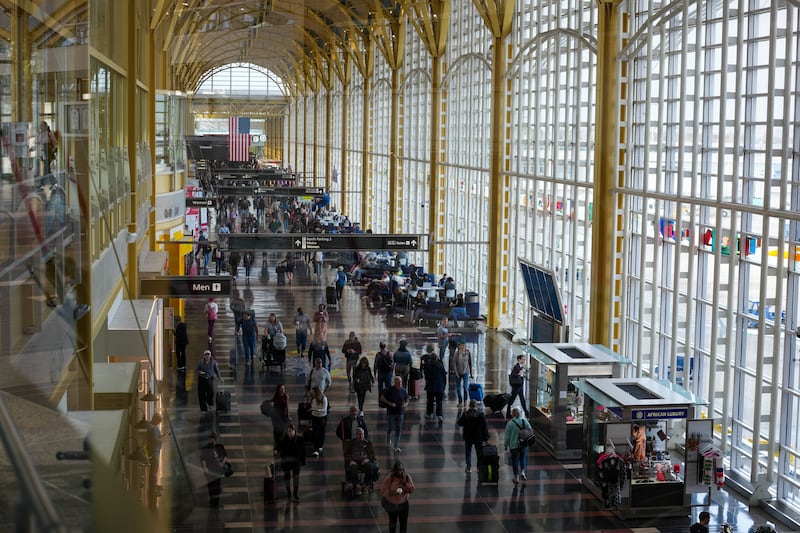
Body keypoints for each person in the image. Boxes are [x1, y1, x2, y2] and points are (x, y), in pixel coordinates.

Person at [379, 461, 415, 533]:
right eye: (398, 470)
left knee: (403, 524)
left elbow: (411, 490)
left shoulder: (407, 477)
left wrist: (405, 484)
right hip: (392, 505)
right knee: (393, 523)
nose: (399, 472)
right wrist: (390, 493)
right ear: (394, 470)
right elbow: (383, 490)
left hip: (403, 504)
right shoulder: (390, 478)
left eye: (401, 470)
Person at [457, 399, 490, 475]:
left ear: (469, 405)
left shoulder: (465, 414)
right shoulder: (481, 415)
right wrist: (486, 438)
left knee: (468, 452)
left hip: (468, 436)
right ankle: (478, 467)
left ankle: (468, 467)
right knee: (479, 452)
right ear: (476, 406)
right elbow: (485, 427)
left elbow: (460, 423)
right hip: (478, 437)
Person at [275, 424, 305, 503]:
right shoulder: (283, 440)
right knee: (287, 478)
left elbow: (303, 451)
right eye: (289, 431)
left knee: (296, 479)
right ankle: (288, 493)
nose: (291, 432)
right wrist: (276, 451)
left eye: (292, 431)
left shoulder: (300, 439)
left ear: (295, 431)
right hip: (286, 462)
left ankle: (295, 494)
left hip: (296, 463)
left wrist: (303, 461)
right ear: (286, 432)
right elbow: (277, 447)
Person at [344, 427, 378, 495]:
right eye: (359, 434)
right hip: (354, 462)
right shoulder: (351, 443)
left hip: (364, 462)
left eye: (362, 434)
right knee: (353, 467)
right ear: (356, 435)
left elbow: (372, 455)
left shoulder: (368, 443)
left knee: (371, 467)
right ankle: (357, 485)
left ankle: (366, 485)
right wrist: (350, 460)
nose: (361, 436)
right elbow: (346, 454)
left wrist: (367, 459)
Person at [380, 376, 409, 452]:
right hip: (391, 412)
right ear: (395, 382)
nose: (400, 384)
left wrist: (405, 405)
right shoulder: (389, 390)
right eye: (398, 382)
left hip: (400, 412)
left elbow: (407, 399)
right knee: (390, 428)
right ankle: (388, 438)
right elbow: (382, 398)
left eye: (401, 382)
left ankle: (396, 446)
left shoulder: (403, 390)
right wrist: (390, 403)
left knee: (398, 429)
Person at [200, 433, 229, 507]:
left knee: (217, 486)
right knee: (210, 486)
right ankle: (212, 501)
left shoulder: (219, 446)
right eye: (209, 439)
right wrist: (205, 467)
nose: (210, 441)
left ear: (215, 440)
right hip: (209, 470)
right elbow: (203, 459)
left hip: (217, 470)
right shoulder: (205, 448)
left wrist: (222, 463)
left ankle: (216, 502)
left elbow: (225, 456)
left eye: (212, 439)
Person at [504, 408, 532, 484]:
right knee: (523, 458)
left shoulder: (510, 423)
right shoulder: (524, 421)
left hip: (514, 445)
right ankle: (523, 472)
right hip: (523, 444)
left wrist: (505, 446)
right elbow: (530, 430)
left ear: (512, 414)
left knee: (515, 460)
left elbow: (507, 437)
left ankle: (516, 477)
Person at [146, 412, 168, 491]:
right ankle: (153, 488)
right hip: (154, 451)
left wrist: (163, 436)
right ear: (156, 420)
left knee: (154, 470)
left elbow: (157, 438)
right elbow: (156, 441)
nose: (159, 423)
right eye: (159, 421)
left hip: (155, 450)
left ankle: (154, 486)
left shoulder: (152, 427)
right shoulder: (153, 428)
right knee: (154, 471)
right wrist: (163, 437)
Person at [423, 351, 447, 423]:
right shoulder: (440, 365)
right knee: (439, 401)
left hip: (430, 386)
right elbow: (444, 376)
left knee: (430, 401)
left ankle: (430, 414)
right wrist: (443, 386)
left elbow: (426, 376)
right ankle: (440, 415)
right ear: (437, 358)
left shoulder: (427, 365)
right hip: (439, 386)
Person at [196, 350, 221, 414]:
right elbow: (197, 370)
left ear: (210, 355)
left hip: (210, 379)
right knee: (201, 394)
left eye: (208, 355)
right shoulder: (201, 362)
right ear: (204, 356)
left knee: (211, 392)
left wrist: (219, 378)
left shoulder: (213, 362)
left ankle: (209, 401)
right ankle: (203, 409)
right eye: (206, 355)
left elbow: (216, 370)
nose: (207, 356)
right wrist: (201, 372)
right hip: (202, 379)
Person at [507, 354, 530, 418]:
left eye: (524, 359)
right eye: (523, 359)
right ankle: (508, 412)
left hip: (520, 385)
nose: (524, 361)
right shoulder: (516, 367)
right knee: (512, 399)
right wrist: (519, 373)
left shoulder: (521, 366)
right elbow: (513, 374)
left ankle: (526, 412)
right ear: (519, 360)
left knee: (522, 399)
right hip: (516, 386)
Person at [452, 341, 473, 407]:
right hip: (458, 373)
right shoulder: (456, 353)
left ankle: (465, 401)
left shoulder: (468, 353)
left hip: (465, 373)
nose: (462, 347)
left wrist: (471, 373)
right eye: (461, 345)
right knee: (458, 388)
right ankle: (460, 401)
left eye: (463, 345)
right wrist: (456, 373)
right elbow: (454, 364)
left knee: (465, 387)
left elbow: (470, 363)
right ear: (459, 346)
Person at [309, 386, 328, 457]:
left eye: (312, 392)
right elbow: (313, 406)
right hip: (314, 417)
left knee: (321, 432)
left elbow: (324, 409)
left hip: (322, 418)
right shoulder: (313, 399)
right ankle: (315, 449)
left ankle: (320, 445)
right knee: (315, 433)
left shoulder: (324, 398)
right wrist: (311, 409)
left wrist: (317, 410)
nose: (311, 393)